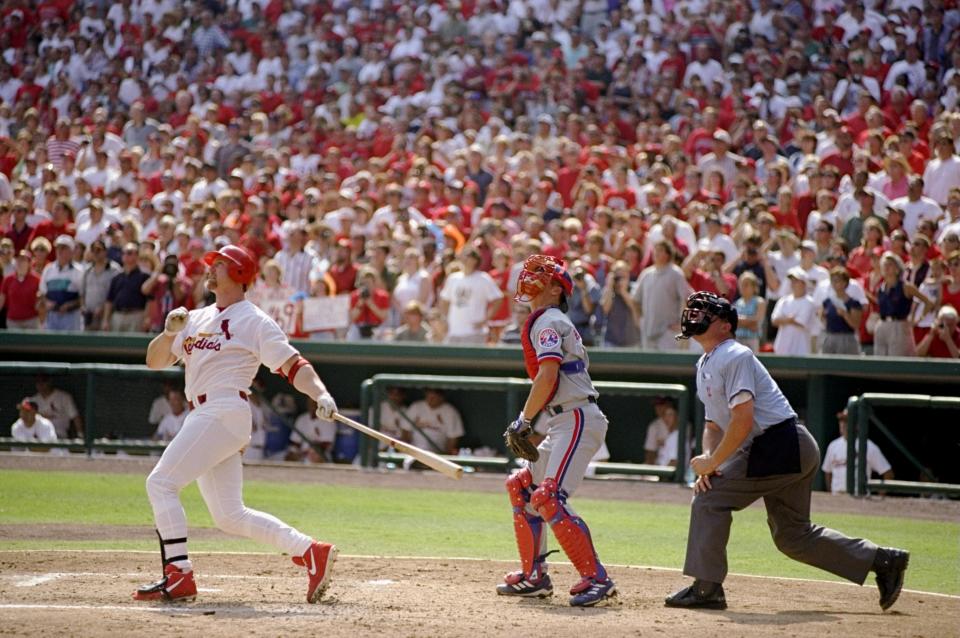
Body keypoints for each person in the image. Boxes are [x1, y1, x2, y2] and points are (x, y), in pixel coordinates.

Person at [664, 291, 909, 611]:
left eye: (706, 312)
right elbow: (714, 425)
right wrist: (711, 461)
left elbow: (742, 418)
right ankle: (884, 560)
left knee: (709, 499)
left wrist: (714, 462)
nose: (695, 315)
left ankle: (707, 588)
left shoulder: (735, 354)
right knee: (793, 536)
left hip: (780, 443)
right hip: (785, 446)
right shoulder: (705, 362)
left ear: (725, 326)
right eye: (694, 310)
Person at [138, 243, 340, 604]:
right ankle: (312, 551)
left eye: (219, 264)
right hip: (205, 413)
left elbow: (294, 365)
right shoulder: (195, 318)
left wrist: (321, 395)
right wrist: (169, 333)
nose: (211, 269)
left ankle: (178, 573)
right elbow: (154, 361)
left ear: (238, 273)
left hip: (224, 407)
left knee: (161, 483)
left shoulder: (254, 319)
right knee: (229, 515)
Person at [498, 254, 616, 607]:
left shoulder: (548, 320)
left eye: (541, 275)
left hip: (577, 416)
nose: (530, 278)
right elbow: (548, 380)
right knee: (522, 487)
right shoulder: (546, 319)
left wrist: (523, 420)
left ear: (555, 289)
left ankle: (597, 579)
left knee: (547, 496)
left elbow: (548, 375)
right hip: (563, 418)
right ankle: (534, 577)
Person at [632, 241, 691, 351]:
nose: (656, 253)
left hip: (668, 332)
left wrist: (682, 324)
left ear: (668, 254)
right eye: (655, 250)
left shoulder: (676, 273)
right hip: (648, 331)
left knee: (669, 366)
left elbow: (686, 298)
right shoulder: (646, 274)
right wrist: (640, 321)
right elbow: (635, 300)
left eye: (660, 250)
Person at [438, 247, 505, 344]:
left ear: (475, 260)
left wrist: (486, 319)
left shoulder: (483, 278)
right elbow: (444, 300)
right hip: (453, 331)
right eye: (464, 255)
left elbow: (498, 298)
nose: (465, 258)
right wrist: (445, 319)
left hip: (474, 332)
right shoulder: (453, 278)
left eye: (468, 256)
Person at [821, 409, 893, 495]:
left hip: (859, 499)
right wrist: (830, 494)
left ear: (857, 424)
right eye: (841, 421)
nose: (843, 424)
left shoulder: (868, 446)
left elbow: (888, 473)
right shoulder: (833, 446)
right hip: (837, 498)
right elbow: (827, 472)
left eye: (847, 421)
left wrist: (880, 497)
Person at [39, 235, 84, 331]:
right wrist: (47, 302)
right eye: (58, 248)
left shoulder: (79, 271)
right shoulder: (48, 269)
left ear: (71, 251)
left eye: (64, 248)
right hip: (51, 316)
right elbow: (42, 293)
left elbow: (83, 297)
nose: (59, 251)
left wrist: (70, 305)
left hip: (71, 317)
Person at [770, 267, 816, 355]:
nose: (792, 283)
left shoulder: (809, 302)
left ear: (804, 283)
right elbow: (774, 320)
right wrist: (789, 320)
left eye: (796, 281)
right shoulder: (783, 300)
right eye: (792, 281)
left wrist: (784, 320)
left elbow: (801, 322)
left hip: (801, 349)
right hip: (781, 349)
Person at [404, 389, 464, 455]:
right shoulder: (416, 406)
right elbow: (405, 430)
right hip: (414, 452)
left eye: (434, 397)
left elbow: (453, 438)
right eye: (429, 396)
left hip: (437, 454)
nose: (431, 400)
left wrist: (446, 455)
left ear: (441, 397)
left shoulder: (450, 411)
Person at [820, 268, 863, 355]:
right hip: (830, 337)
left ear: (844, 283)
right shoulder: (827, 301)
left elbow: (856, 324)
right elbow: (823, 319)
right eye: (833, 281)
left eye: (837, 281)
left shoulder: (853, 303)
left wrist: (845, 314)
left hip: (846, 338)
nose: (834, 284)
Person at [29, 374, 83, 439]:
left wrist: (80, 434)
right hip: (39, 436)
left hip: (59, 435)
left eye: (43, 381)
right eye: (38, 382)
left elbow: (75, 416)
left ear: (50, 381)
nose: (40, 384)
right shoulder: (32, 400)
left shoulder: (64, 397)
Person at [1, 249, 41, 329]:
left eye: (23, 260)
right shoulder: (8, 279)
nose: (20, 262)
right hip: (12, 321)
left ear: (29, 263)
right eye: (18, 260)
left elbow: (40, 299)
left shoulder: (37, 279)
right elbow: (1, 299)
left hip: (31, 320)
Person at [288, 397, 337, 463]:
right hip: (302, 453)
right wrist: (295, 452)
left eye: (315, 403)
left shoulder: (328, 420)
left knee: (315, 456)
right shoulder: (302, 418)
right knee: (288, 457)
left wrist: (309, 452)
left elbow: (326, 445)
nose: (312, 405)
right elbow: (295, 441)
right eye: (310, 403)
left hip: (321, 454)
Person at [733, 272, 765, 352]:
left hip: (752, 341)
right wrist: (749, 322)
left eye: (746, 284)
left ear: (754, 287)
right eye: (741, 284)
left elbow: (756, 323)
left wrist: (740, 321)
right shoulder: (737, 303)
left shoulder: (760, 302)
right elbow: (733, 322)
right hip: (737, 340)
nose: (743, 287)